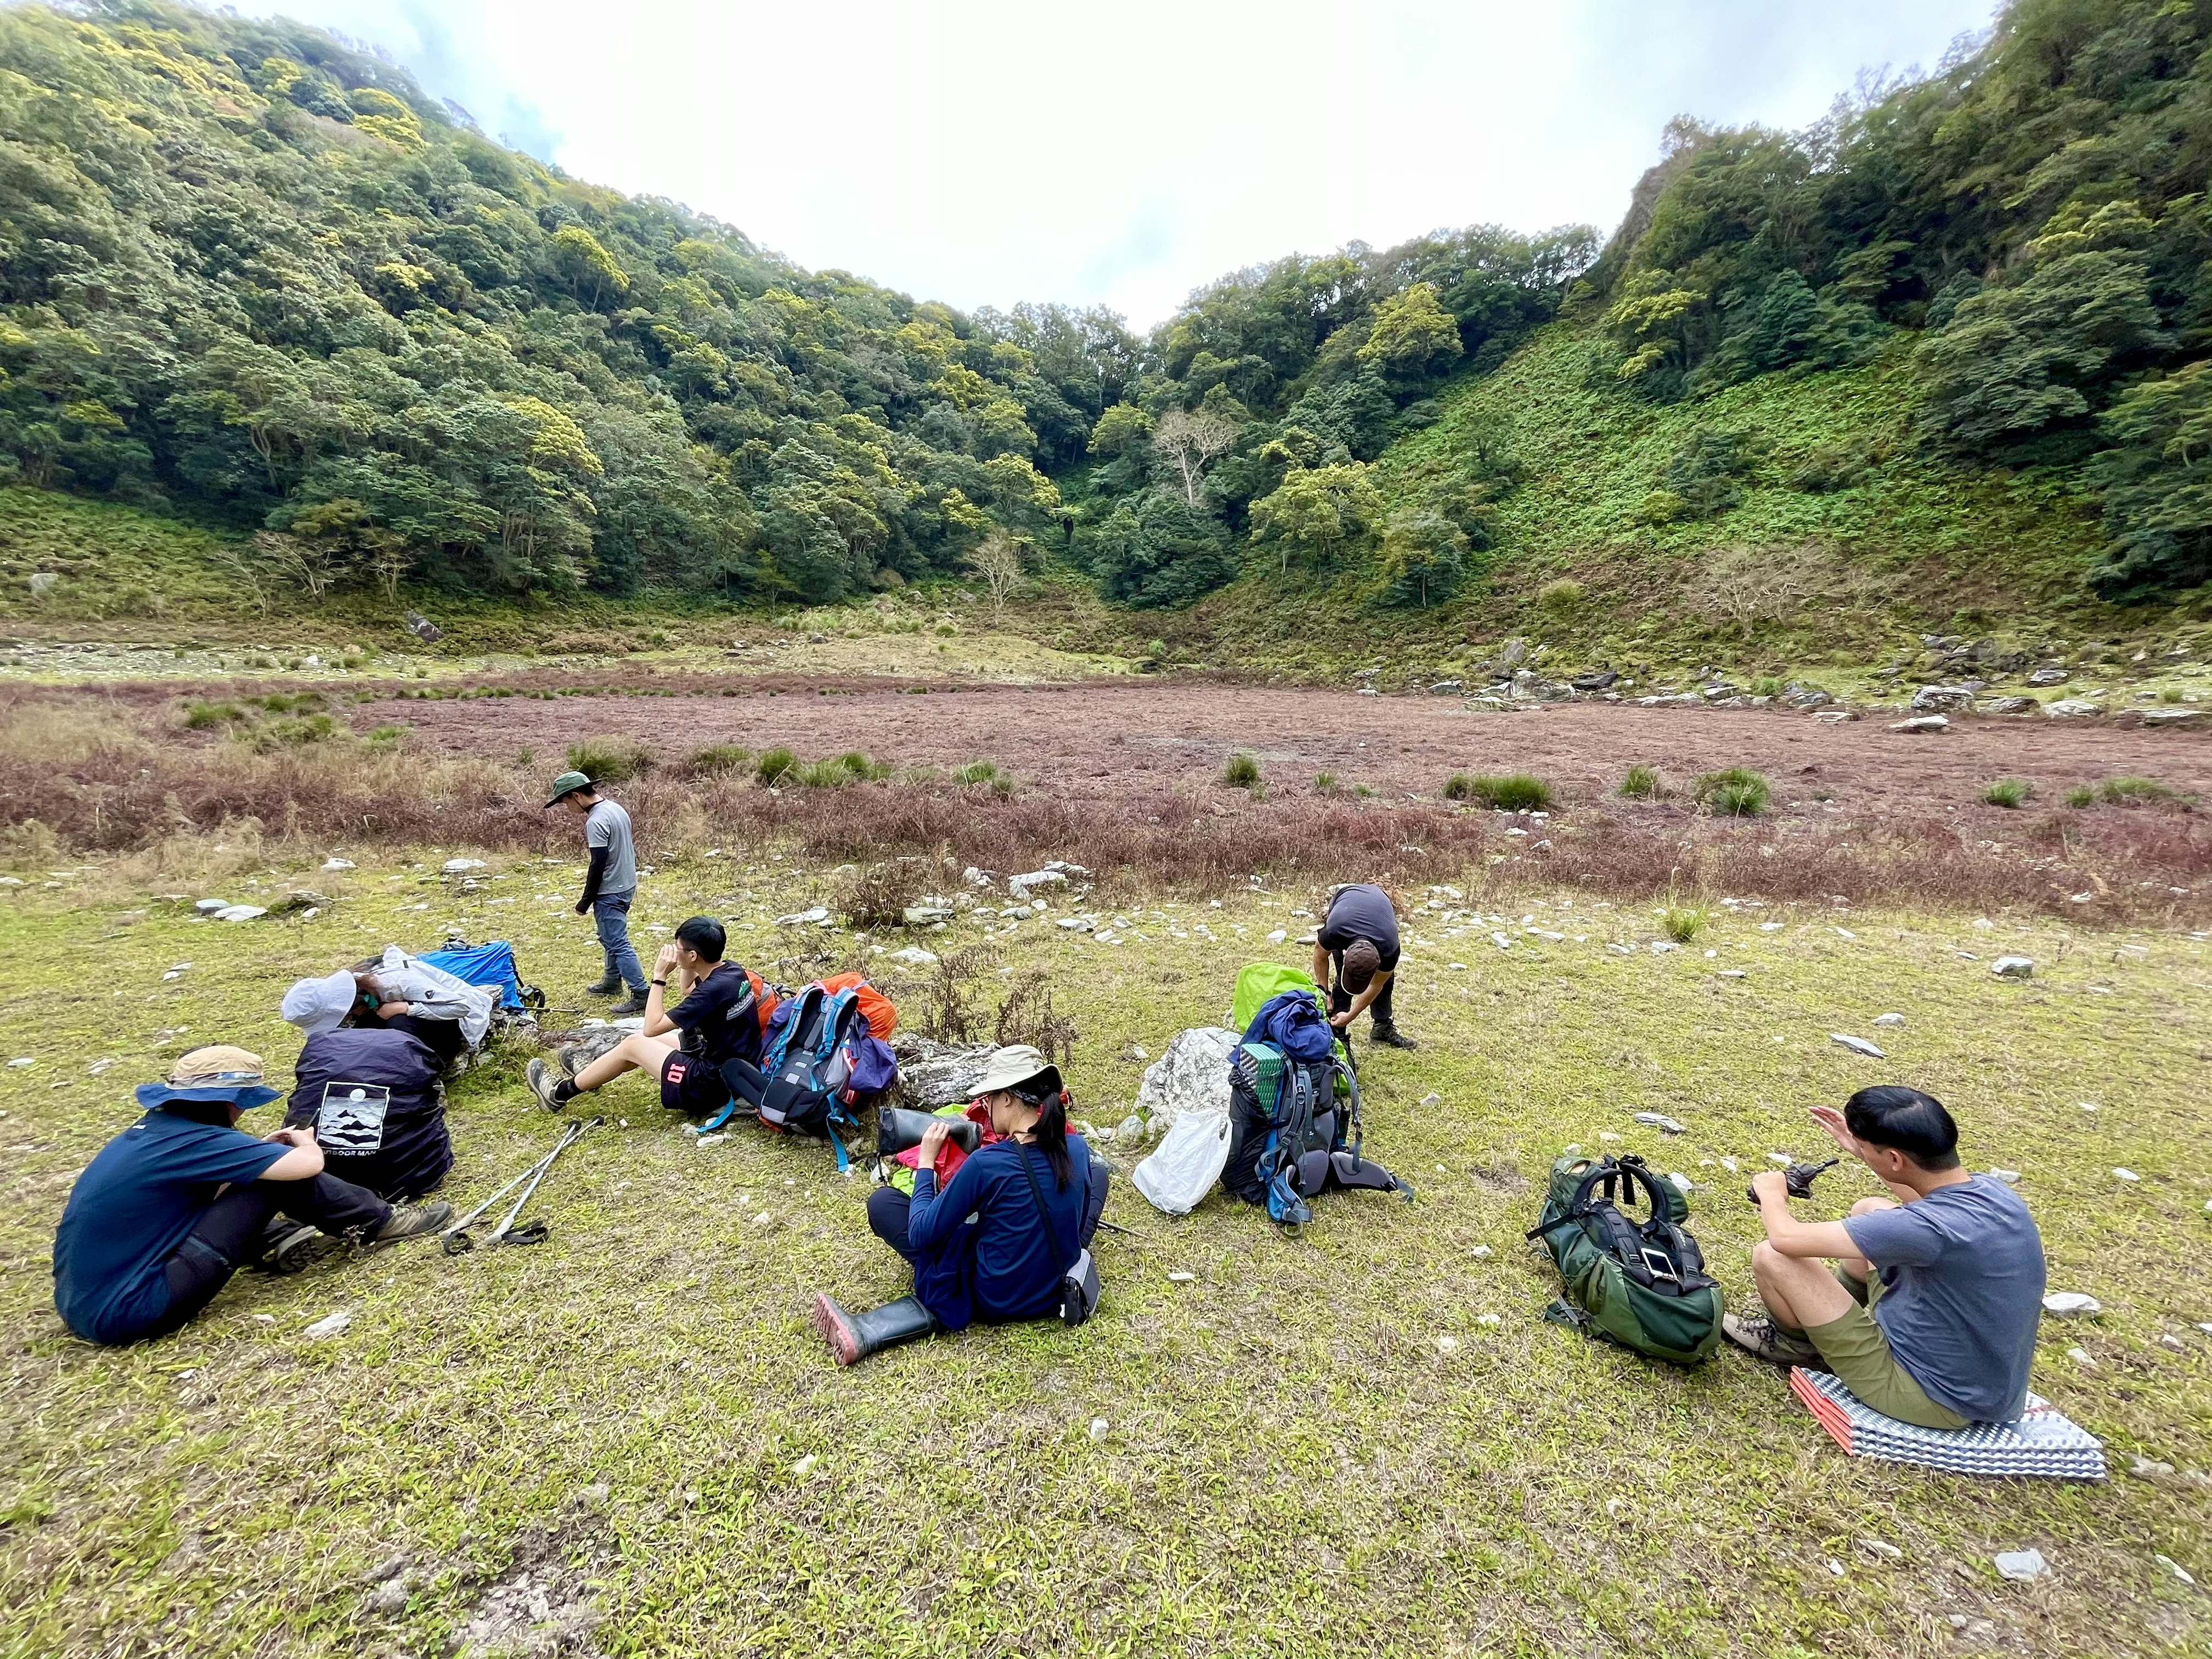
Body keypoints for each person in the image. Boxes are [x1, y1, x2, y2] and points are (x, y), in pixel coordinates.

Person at [50, 1047, 450, 1346]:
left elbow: (208, 1183)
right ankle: (381, 1223)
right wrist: (304, 1144)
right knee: (277, 1178)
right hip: (134, 1310)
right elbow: (306, 1168)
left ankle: (270, 1238)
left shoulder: (153, 1133)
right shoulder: (200, 1140)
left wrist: (255, 1154)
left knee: (255, 1174)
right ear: (231, 1101)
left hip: (83, 1306)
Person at [1723, 1086, 2046, 1428]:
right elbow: (1919, 1197)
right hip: (1984, 1391)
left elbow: (1785, 1239)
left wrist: (1772, 1193)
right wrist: (1866, 1152)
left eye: (1867, 1149)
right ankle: (1826, 1327)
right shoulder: (1990, 1192)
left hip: (1930, 1398)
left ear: (1895, 1159)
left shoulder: (1926, 1228)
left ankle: (1795, 1345)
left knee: (1773, 1256)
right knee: (1870, 1208)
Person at [811, 1045, 1108, 1365]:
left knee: (884, 1203)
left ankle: (879, 1327)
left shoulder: (988, 1164)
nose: (987, 1106)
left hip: (997, 1297)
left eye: (989, 1099)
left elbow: (922, 1232)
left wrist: (927, 1163)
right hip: (1054, 1290)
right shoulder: (1076, 1147)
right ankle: (1062, 1247)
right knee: (1099, 1175)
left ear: (1007, 1098)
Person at [526, 915, 759, 1114]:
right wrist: (685, 964)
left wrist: (659, 976)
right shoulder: (732, 971)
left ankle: (558, 1095)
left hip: (708, 1084)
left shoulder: (710, 993)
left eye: (679, 948)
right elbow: (688, 989)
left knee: (636, 1043)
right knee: (641, 1043)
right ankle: (591, 1075)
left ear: (693, 956)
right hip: (735, 1069)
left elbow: (652, 1027)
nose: (674, 951)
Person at [545, 769, 646, 1015]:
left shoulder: (596, 821)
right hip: (626, 883)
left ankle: (642, 993)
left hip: (610, 889)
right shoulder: (615, 808)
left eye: (565, 802)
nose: (567, 808)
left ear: (577, 796)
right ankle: (612, 982)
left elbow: (598, 863)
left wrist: (585, 901)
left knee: (618, 942)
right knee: (610, 937)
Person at [281, 963, 470, 1071]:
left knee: (399, 1025)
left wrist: (406, 1008)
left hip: (441, 1028)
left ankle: (424, 1072)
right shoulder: (361, 1005)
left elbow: (461, 1007)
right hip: (392, 1032)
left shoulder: (397, 982)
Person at [1313, 881, 1416, 1049]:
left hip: (1378, 901)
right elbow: (1319, 955)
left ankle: (1382, 1029)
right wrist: (1324, 992)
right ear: (1345, 954)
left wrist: (1351, 1015)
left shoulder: (1389, 949)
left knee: (1386, 979)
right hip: (1346, 900)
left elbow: (1377, 984)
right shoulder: (1335, 931)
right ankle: (1338, 1036)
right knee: (1343, 980)